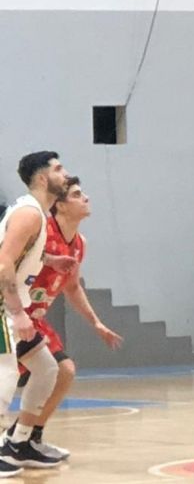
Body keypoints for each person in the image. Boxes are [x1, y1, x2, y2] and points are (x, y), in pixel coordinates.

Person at [4, 177, 122, 461]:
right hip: (14, 312)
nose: (86, 198)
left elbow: (72, 286)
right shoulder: (40, 230)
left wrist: (96, 323)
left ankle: (27, 437)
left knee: (61, 371)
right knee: (18, 377)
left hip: (35, 318)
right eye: (78, 194)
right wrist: (16, 310)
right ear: (61, 205)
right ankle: (17, 440)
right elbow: (7, 260)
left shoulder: (79, 243)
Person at [0, 152, 77, 475]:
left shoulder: (37, 214)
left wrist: (49, 260)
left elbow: (22, 250)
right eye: (59, 169)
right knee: (5, 377)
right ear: (43, 178)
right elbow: (3, 262)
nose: (66, 174)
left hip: (10, 304)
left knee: (47, 369)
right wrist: (18, 313)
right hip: (4, 306)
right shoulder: (30, 213)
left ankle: (19, 442)